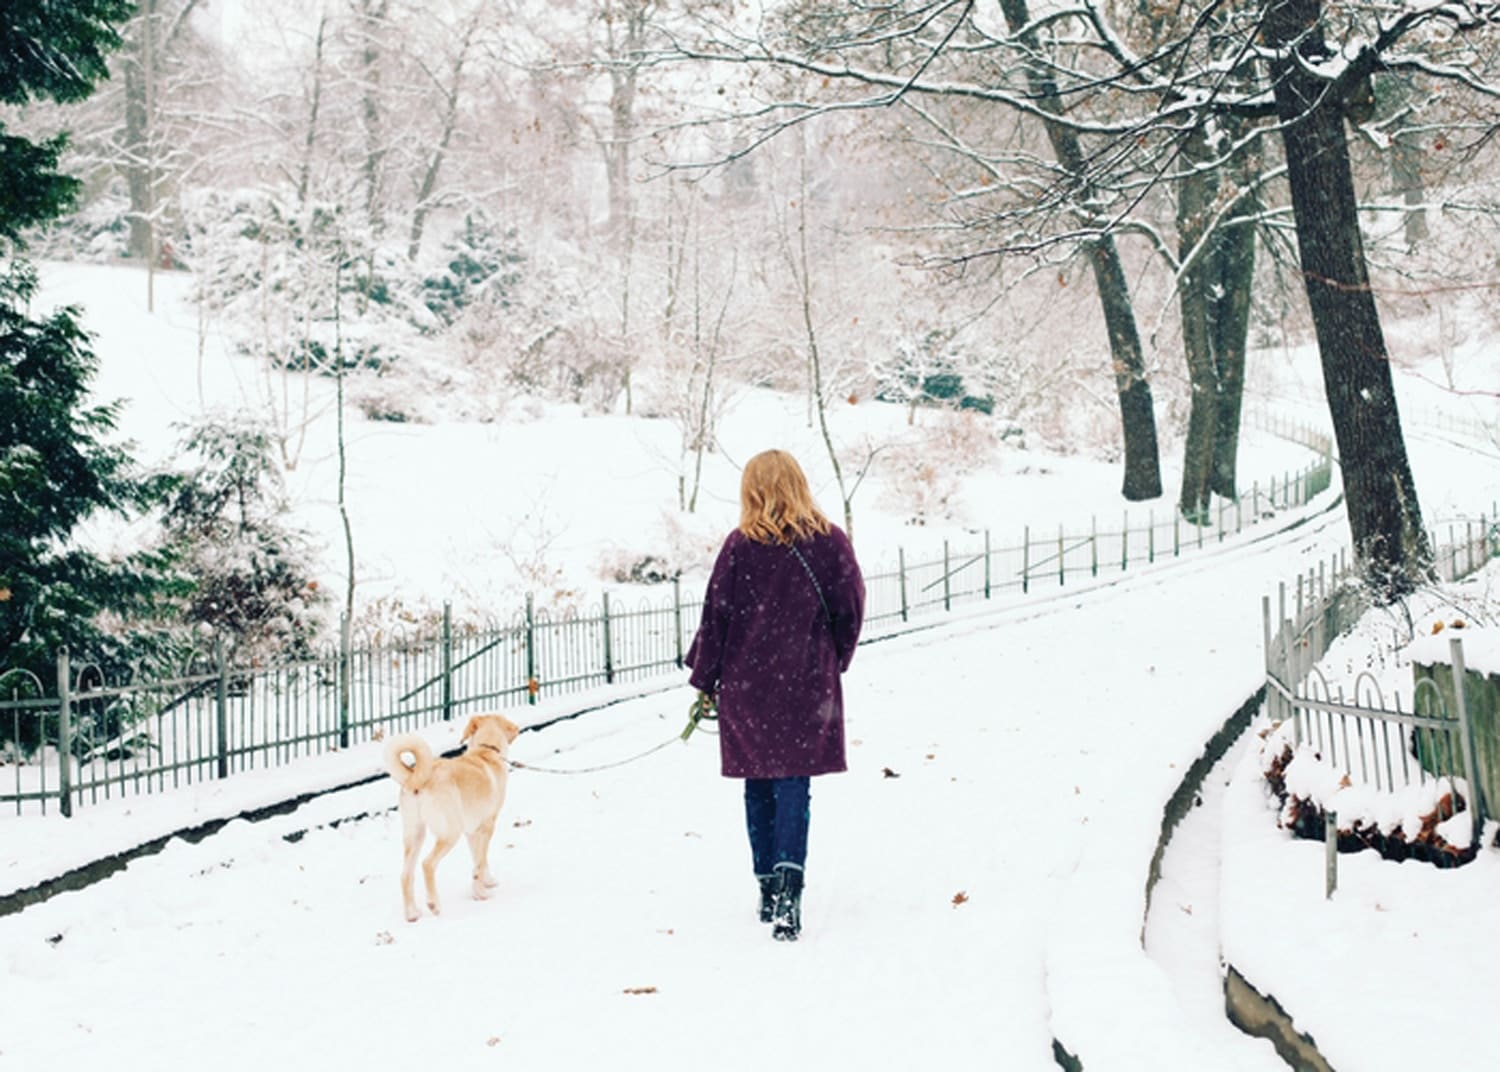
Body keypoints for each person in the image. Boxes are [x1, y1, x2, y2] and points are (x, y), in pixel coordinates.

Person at [685, 449, 865, 941]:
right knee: (793, 786)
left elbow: (716, 616)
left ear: (752, 490)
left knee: (757, 785)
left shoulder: (739, 547)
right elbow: (850, 609)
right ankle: (790, 888)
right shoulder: (830, 543)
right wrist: (833, 660)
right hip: (806, 684)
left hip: (749, 686)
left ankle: (766, 887)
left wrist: (705, 678)